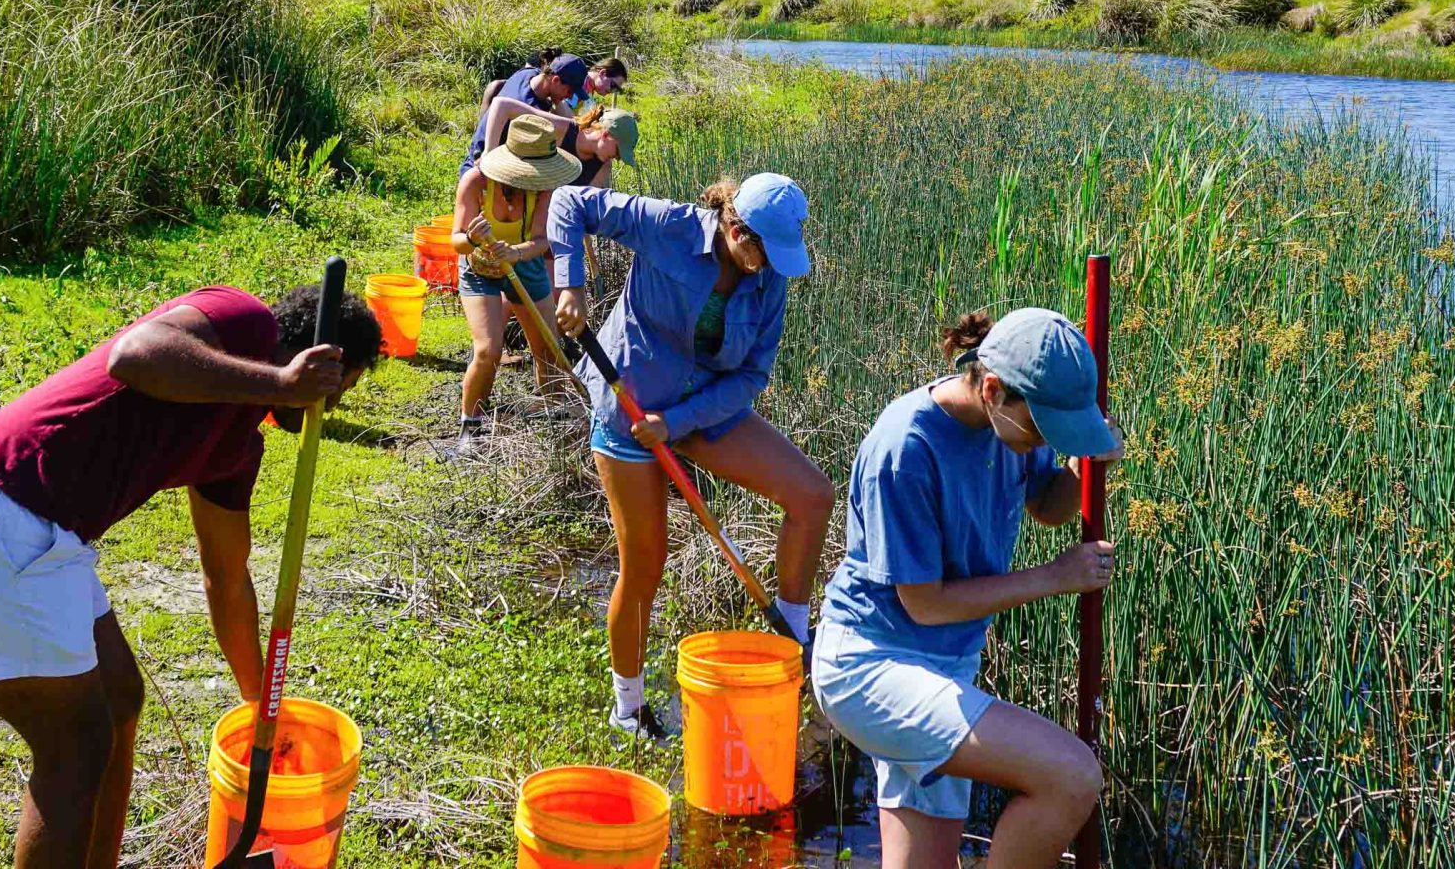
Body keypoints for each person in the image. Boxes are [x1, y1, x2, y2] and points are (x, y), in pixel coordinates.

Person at [0, 284, 383, 869]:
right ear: (318, 362)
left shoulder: (234, 449)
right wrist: (279, 386)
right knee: (76, 747)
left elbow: (225, 579)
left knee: (119, 697)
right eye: (337, 389)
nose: (325, 411)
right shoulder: (244, 322)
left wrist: (262, 708)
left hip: (43, 537)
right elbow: (135, 353)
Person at [811, 308, 1126, 869]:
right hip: (871, 666)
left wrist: (1083, 464)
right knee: (1072, 778)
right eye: (1041, 428)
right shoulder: (905, 449)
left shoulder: (1008, 427)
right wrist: (1054, 578)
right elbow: (925, 604)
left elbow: (1045, 505)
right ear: (992, 389)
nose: (1040, 443)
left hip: (945, 667)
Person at [549, 175, 835, 741]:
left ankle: (790, 641)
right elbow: (568, 201)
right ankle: (627, 709)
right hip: (629, 407)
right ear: (734, 229)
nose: (767, 267)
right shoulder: (670, 227)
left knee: (814, 495)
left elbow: (752, 374)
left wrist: (677, 424)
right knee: (644, 567)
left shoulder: (769, 278)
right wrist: (570, 286)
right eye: (760, 252)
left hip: (699, 411)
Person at [451, 112, 582, 448]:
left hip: (526, 266)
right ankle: (471, 429)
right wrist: (473, 239)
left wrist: (516, 253)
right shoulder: (476, 183)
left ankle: (555, 421)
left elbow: (542, 240)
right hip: (479, 268)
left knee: (548, 350)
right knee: (488, 350)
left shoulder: (545, 191)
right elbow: (456, 241)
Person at [460, 52, 589, 176]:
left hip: (482, 158)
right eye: (569, 90)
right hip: (481, 169)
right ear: (555, 80)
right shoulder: (528, 109)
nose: (570, 96)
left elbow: (567, 120)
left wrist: (557, 99)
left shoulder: (529, 74)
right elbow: (566, 130)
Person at [481, 94, 637, 190]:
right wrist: (488, 153)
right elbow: (502, 105)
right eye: (618, 151)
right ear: (605, 134)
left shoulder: (602, 166)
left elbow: (585, 206)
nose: (617, 158)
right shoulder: (561, 130)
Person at [480, 52, 627, 117]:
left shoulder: (586, 88)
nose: (611, 91)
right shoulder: (579, 83)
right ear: (602, 74)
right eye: (613, 85)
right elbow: (564, 116)